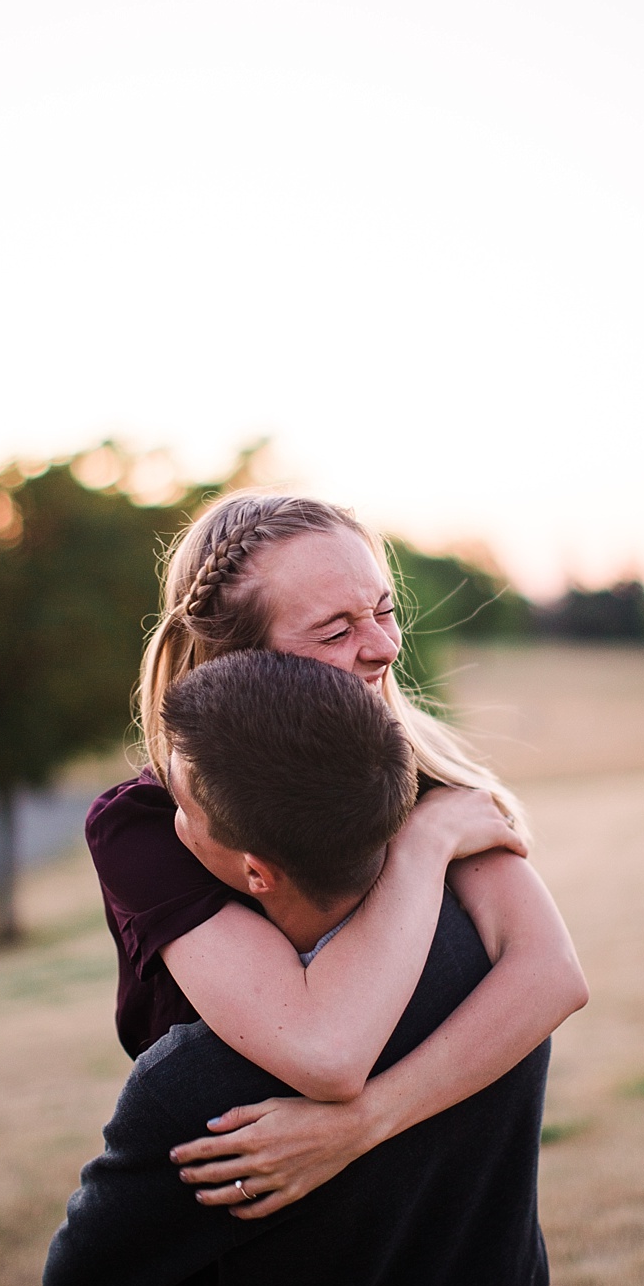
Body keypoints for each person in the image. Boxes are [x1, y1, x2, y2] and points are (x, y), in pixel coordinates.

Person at [85, 491, 587, 1219]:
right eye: (335, 629)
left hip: (464, 1252)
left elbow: (550, 975)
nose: (384, 646)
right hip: (257, 1269)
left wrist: (364, 1123)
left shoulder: (426, 776)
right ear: (240, 663)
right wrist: (423, 849)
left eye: (384, 610)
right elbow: (323, 1049)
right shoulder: (153, 827)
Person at [45, 649, 555, 1286]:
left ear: (257, 872)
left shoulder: (197, 1088)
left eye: (184, 809)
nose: (379, 646)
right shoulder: (487, 966)